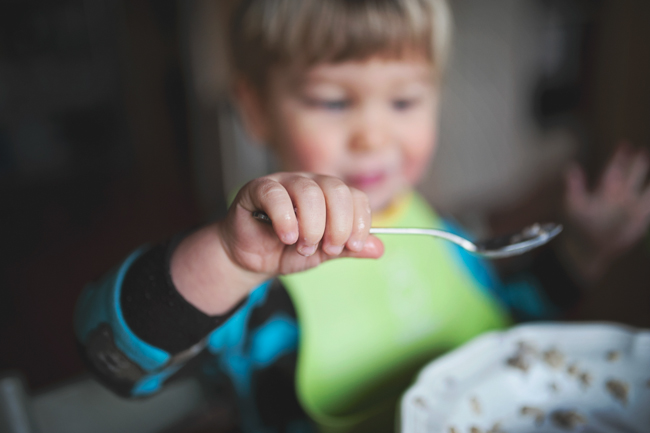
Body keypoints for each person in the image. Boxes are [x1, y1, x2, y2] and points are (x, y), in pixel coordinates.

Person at [74, 1, 650, 432]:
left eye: (403, 101)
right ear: (255, 108)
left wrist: (582, 253)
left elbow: (505, 328)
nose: (374, 135)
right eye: (333, 100)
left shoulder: (442, 233)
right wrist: (227, 258)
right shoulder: (252, 287)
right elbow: (117, 363)